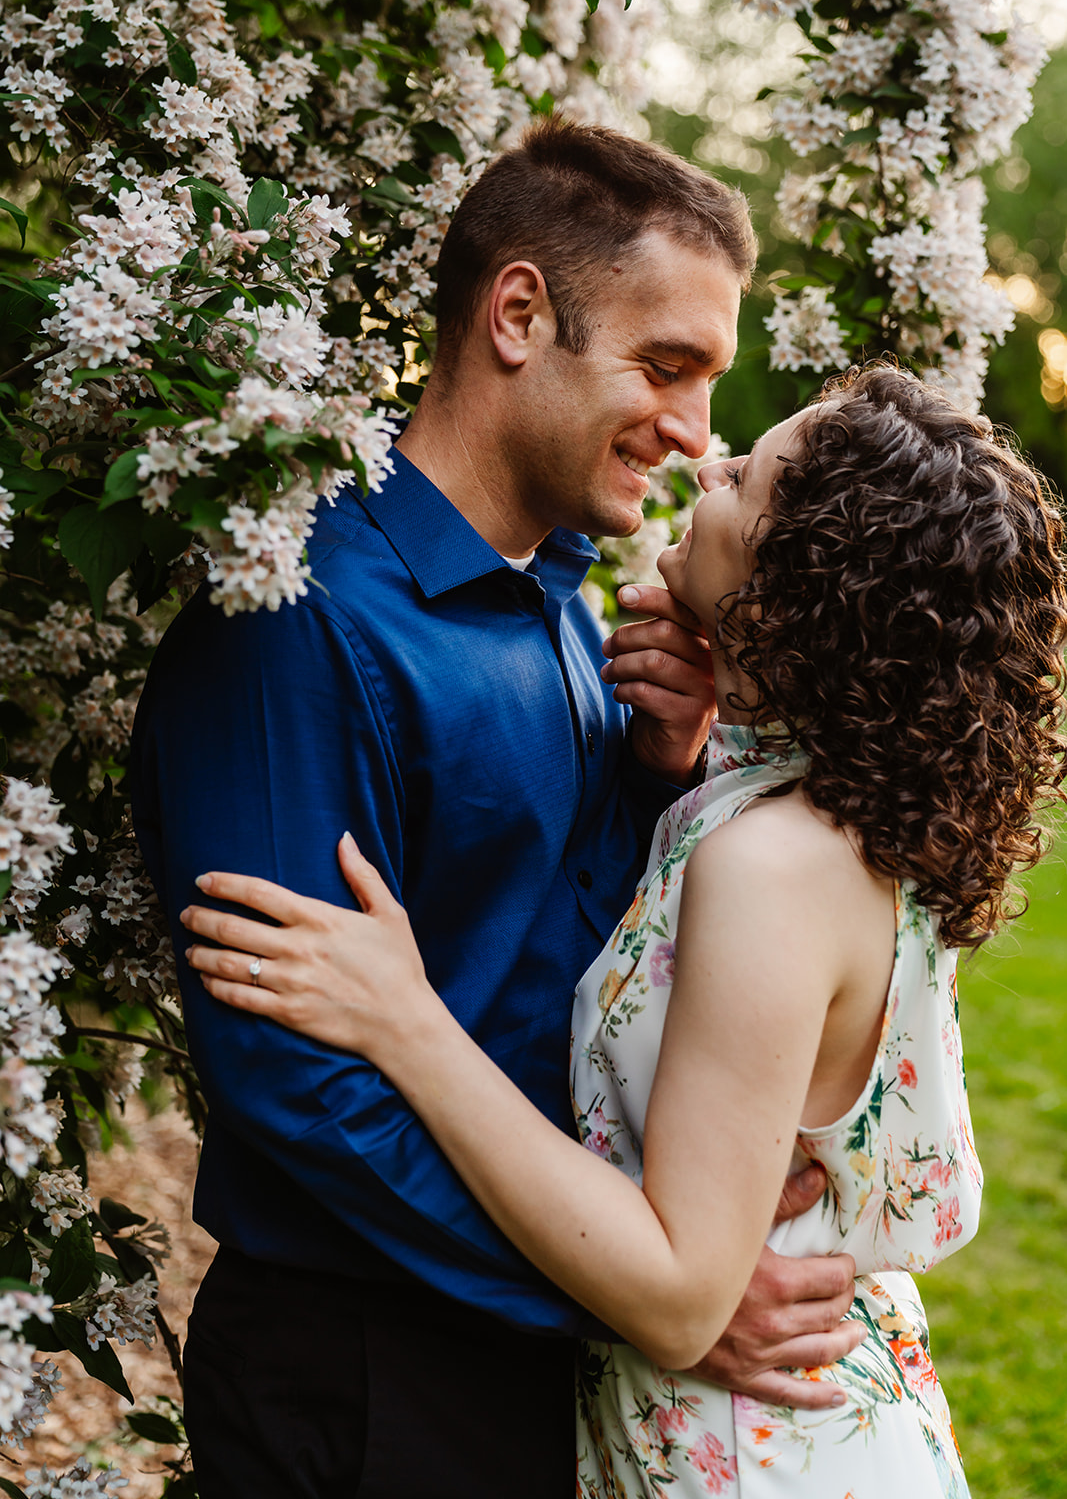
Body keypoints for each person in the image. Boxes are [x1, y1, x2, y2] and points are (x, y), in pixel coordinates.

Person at [129, 118, 862, 1499]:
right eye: (665, 366)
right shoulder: (296, 624)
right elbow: (302, 1086)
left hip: (530, 1333)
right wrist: (646, 1297)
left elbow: (549, 935)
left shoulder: (562, 603)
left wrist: (657, 772)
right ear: (517, 314)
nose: (696, 431)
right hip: (368, 1374)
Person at [182, 363, 1067, 1497]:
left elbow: (681, 1292)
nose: (706, 458)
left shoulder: (773, 864)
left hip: (752, 1455)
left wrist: (406, 1021)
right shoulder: (823, 806)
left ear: (788, 591)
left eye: (744, 476)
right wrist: (685, 741)